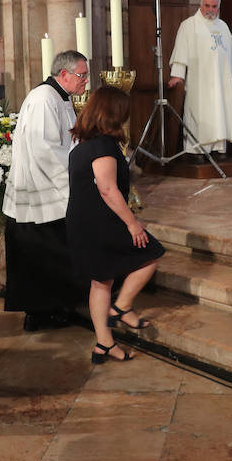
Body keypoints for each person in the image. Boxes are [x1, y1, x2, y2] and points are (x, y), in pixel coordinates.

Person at [67, 85, 164, 364]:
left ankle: (104, 344)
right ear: (114, 113)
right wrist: (132, 223)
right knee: (151, 254)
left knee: (101, 283)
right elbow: (108, 190)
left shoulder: (84, 145)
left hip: (83, 222)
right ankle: (121, 307)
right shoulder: (103, 146)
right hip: (100, 223)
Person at [2, 50, 89, 332]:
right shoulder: (43, 100)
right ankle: (40, 314)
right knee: (39, 257)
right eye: (81, 75)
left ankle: (55, 308)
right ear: (63, 74)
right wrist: (76, 179)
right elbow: (45, 150)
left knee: (51, 255)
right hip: (39, 192)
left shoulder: (59, 97)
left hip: (48, 188)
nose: (85, 80)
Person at [167, 0, 232, 154]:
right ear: (201, 5)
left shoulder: (223, 26)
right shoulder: (189, 25)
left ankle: (218, 149)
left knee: (219, 113)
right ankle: (197, 152)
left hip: (221, 82)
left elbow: (231, 54)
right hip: (199, 82)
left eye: (214, 6)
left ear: (218, 7)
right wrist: (177, 75)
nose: (210, 10)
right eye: (207, 6)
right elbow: (181, 51)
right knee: (198, 115)